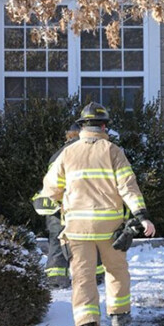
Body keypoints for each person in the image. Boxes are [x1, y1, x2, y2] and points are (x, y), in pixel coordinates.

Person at [40, 102, 156, 326]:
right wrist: (142, 215)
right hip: (111, 229)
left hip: (76, 229)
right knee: (116, 271)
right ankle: (119, 317)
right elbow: (128, 187)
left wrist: (67, 198)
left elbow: (50, 189)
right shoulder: (113, 151)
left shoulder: (67, 154)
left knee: (82, 277)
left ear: (82, 126)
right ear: (104, 126)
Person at [33, 123, 105, 289]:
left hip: (56, 205)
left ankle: (56, 279)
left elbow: (51, 182)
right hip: (79, 204)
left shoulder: (58, 154)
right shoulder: (86, 151)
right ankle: (95, 275)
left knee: (58, 240)